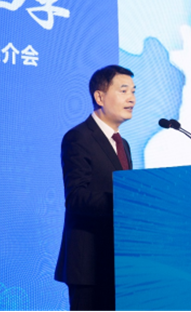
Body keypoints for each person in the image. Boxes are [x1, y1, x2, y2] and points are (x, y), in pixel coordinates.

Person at [55, 65, 136, 310]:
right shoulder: (78, 137)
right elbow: (76, 197)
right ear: (99, 97)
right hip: (89, 265)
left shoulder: (123, 144)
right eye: (124, 91)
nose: (132, 99)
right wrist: (124, 202)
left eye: (134, 91)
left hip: (118, 261)